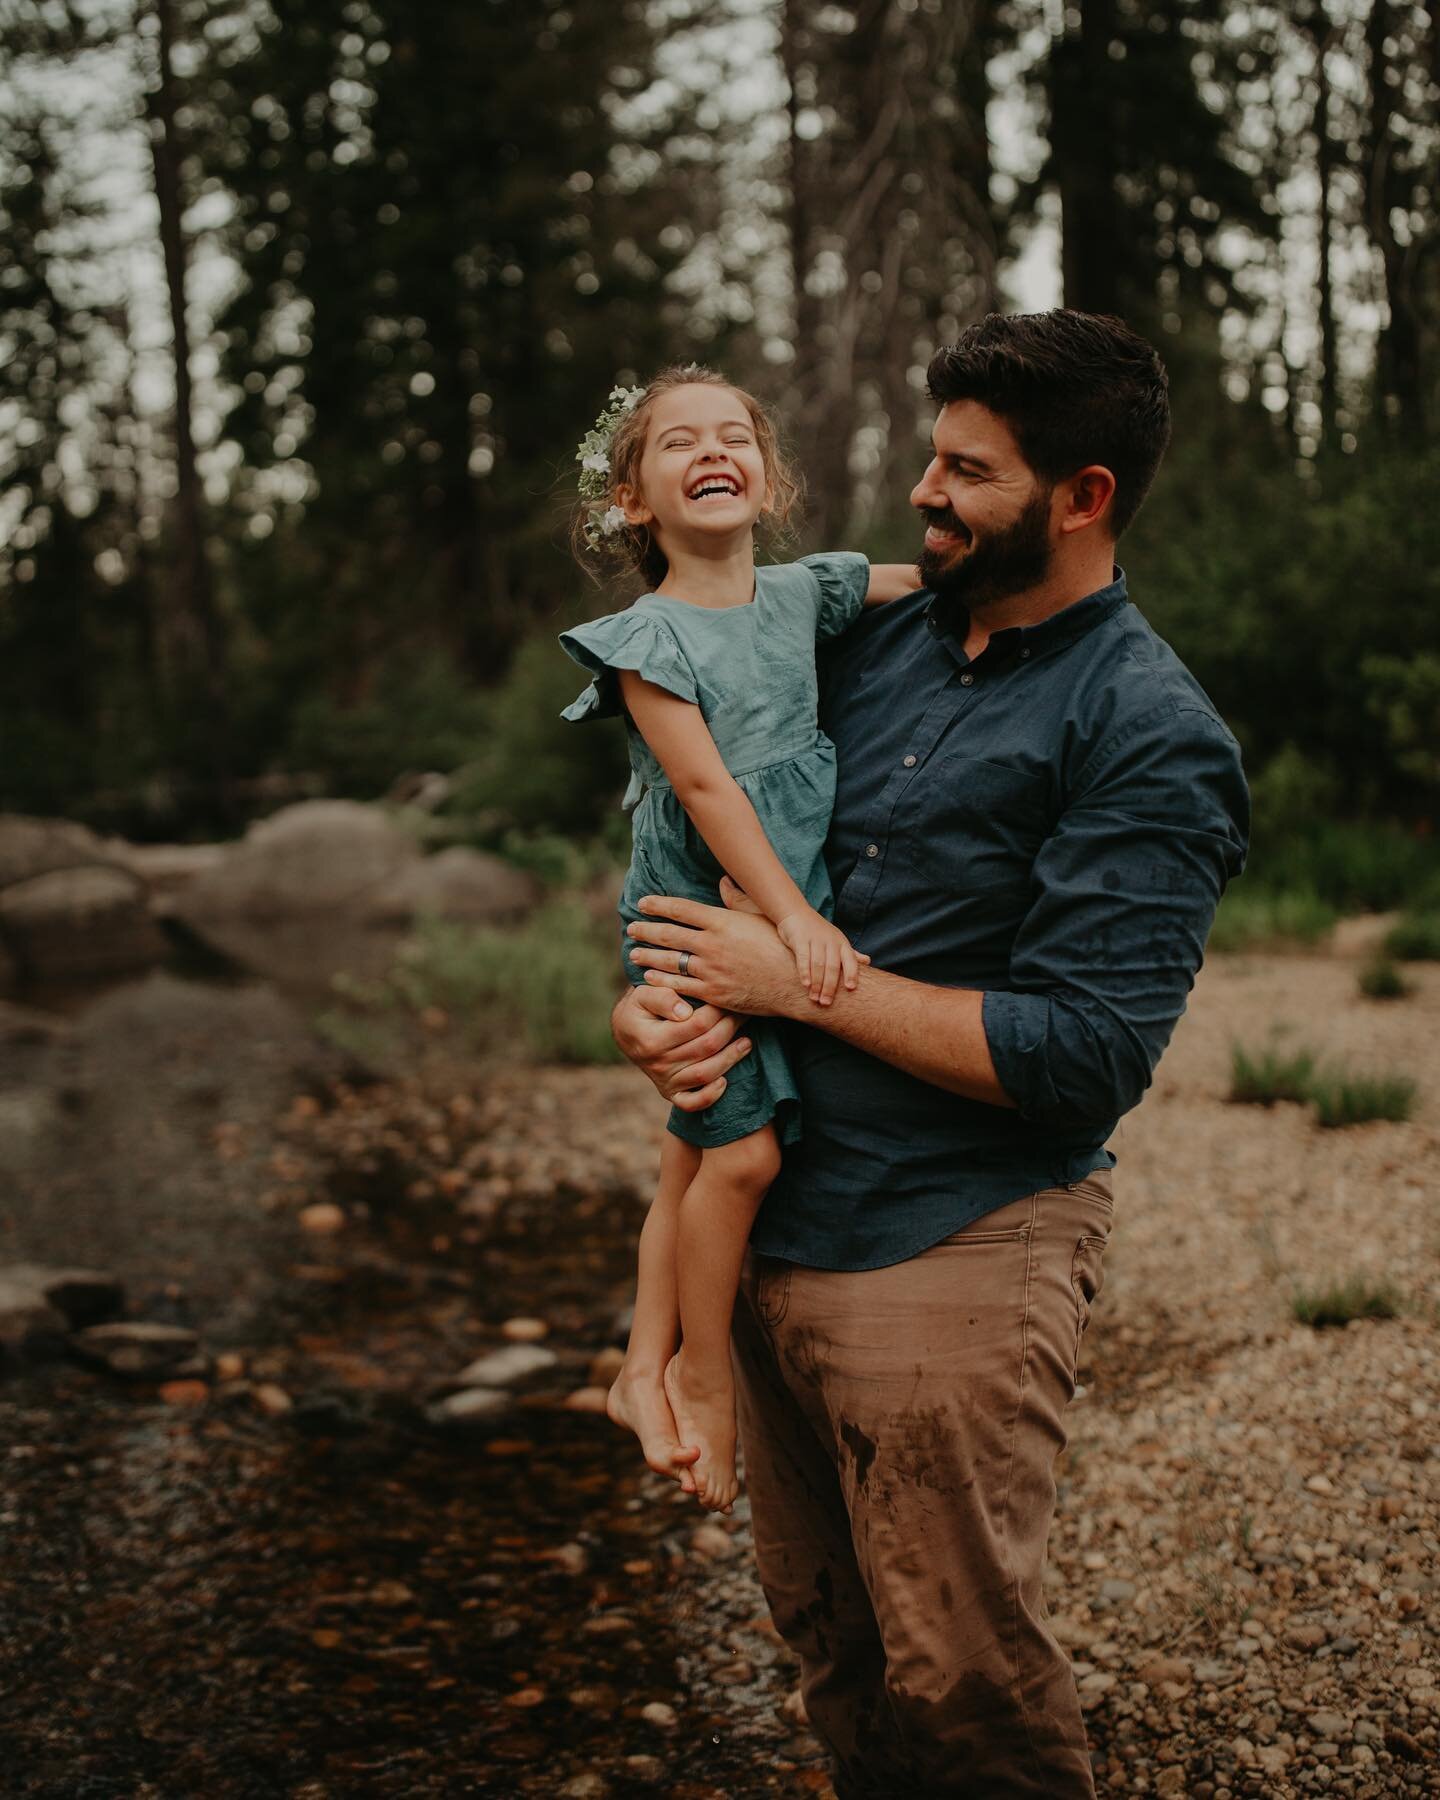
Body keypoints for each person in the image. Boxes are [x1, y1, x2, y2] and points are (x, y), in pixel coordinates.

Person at [611, 311, 1249, 1796]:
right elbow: (694, 827)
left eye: (967, 471)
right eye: (931, 456)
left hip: (950, 1243)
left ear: (1080, 498)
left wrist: (802, 985)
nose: (923, 493)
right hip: (767, 1225)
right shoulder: (871, 635)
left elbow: (1084, 1052)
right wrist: (653, 1003)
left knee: (962, 1681)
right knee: (828, 1644)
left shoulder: (1148, 728)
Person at [558, 365, 919, 1512]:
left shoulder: (804, 594)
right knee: (744, 1158)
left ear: (768, 479)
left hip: (767, 908)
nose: (714, 452)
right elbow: (710, 792)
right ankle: (704, 1380)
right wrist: (797, 918)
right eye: (680, 444)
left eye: (736, 437)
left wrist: (1014, 582)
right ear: (632, 501)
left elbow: (929, 581)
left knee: (688, 1161)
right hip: (695, 917)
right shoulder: (645, 638)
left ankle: (635, 1368)